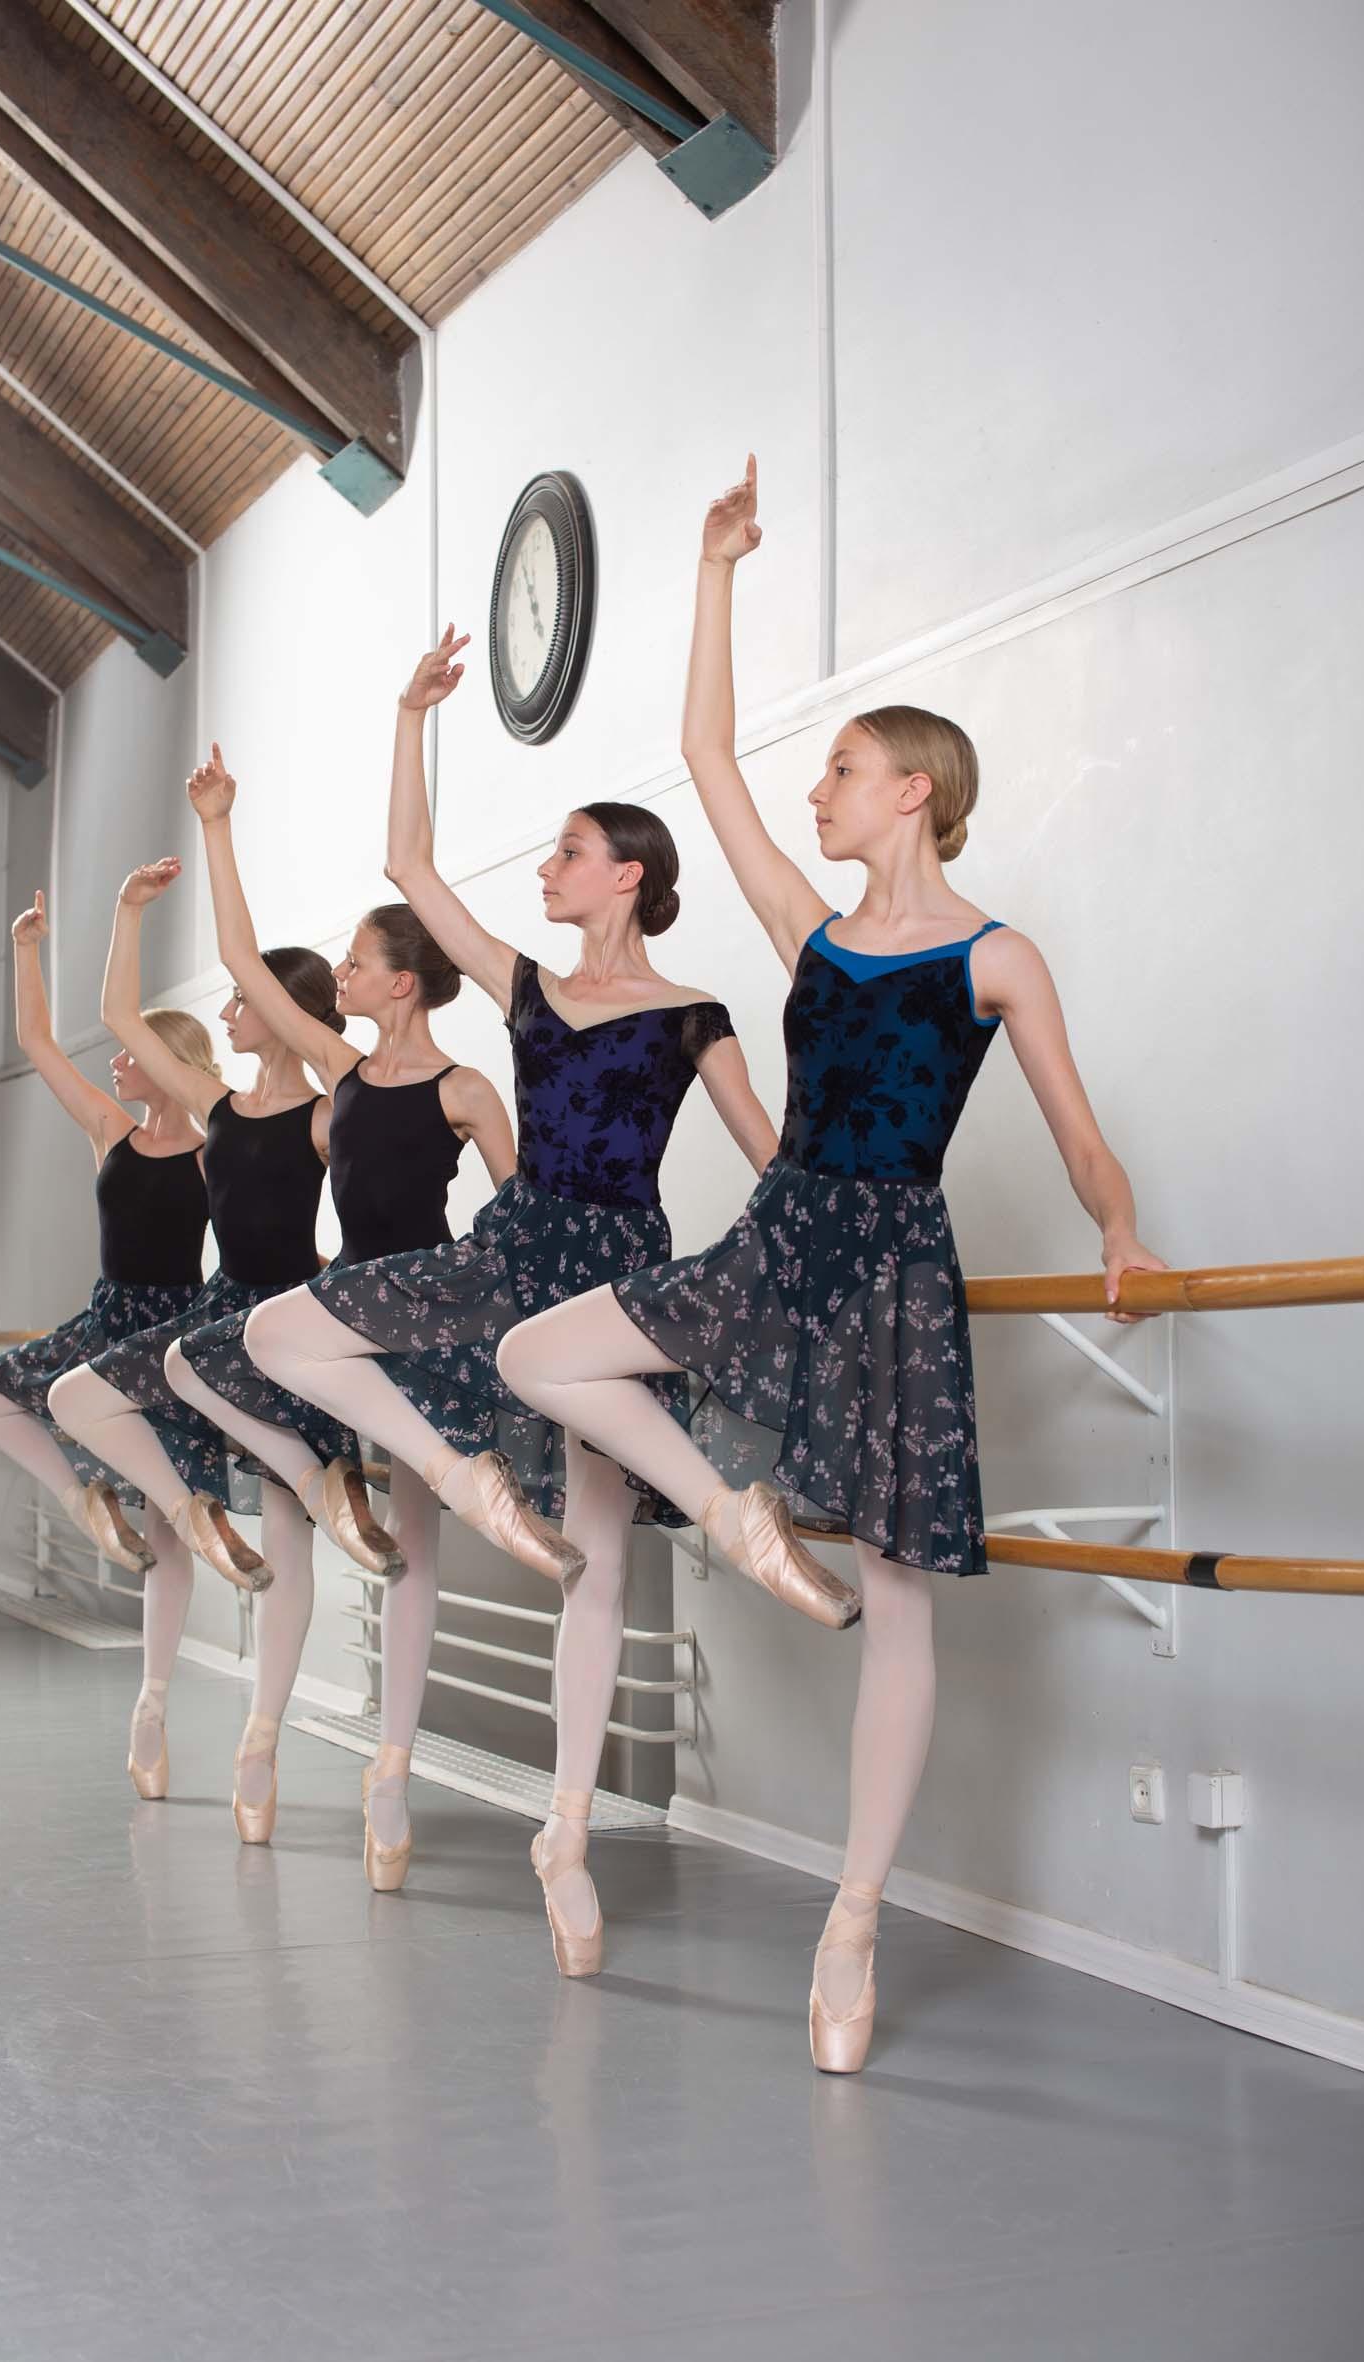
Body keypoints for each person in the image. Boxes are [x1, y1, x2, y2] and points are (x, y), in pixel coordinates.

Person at [493, 459, 1167, 2067]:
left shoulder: (995, 957)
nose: (818, 791)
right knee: (538, 1351)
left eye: (844, 771)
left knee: (896, 1593)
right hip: (780, 1230)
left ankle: (852, 1919)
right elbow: (707, 756)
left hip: (891, 1264)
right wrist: (714, 570)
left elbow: (1079, 1132)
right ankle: (730, 1510)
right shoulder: (807, 931)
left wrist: (1116, 1222)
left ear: (911, 791)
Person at [244, 627, 787, 1917]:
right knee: (280, 1331)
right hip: (513, 1247)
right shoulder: (526, 985)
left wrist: (810, 1271)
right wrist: (410, 716)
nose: (547, 866)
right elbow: (409, 866)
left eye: (567, 851)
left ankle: (567, 1834)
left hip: (615, 1276)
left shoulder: (693, 1013)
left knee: (595, 1558)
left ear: (627, 875)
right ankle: (456, 1473)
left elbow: (772, 1159)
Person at [161, 744, 514, 1860]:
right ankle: (323, 1495)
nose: (342, 976)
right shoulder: (340, 1072)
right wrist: (218, 825)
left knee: (413, 1551)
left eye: (357, 963)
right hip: (343, 1310)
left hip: (428, 1315)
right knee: (206, 1362)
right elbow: (240, 958)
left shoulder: (467, 1088)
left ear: (400, 982)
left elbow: (523, 1218)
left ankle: (390, 1771)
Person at [48, 855, 342, 1831]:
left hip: (288, 1320)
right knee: (79, 1394)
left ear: (281, 1009)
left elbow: (376, 1204)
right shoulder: (217, 1106)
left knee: (291, 1540)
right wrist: (127, 909)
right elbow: (120, 1017)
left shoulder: (328, 1112)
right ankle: (191, 1518)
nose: (226, 1011)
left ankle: (260, 1743)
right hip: (219, 1316)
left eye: (242, 999)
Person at [0, 887, 211, 1578]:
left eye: (129, 1053)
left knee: (167, 1521)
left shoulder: (212, 1153)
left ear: (163, 1059)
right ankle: (82, 1498)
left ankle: (158, 1650)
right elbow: (38, 1042)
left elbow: (259, 1236)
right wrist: (24, 949)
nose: (115, 1062)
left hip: (173, 1327)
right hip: (106, 1317)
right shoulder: (110, 1129)